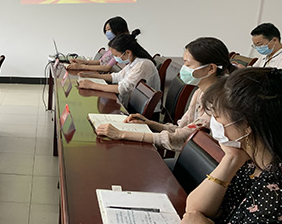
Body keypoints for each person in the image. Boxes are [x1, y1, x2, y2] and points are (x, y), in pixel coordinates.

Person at [180, 68, 282, 224]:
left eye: (218, 116)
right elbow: (195, 209)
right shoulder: (252, 161)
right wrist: (231, 159)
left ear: (246, 126)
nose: (214, 123)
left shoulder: (278, 188)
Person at [95, 37, 233, 151]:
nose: (183, 69)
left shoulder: (219, 101)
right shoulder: (200, 92)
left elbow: (181, 137)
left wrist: (122, 134)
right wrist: (149, 123)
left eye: (188, 65)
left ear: (210, 68)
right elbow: (181, 128)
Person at [77, 32, 160, 107]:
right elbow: (116, 77)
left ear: (128, 52)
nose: (115, 58)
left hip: (137, 111)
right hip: (130, 105)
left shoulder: (142, 65)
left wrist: (92, 85)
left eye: (116, 55)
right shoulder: (134, 62)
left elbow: (122, 88)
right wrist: (92, 76)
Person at [67, 16, 138, 72]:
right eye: (106, 30)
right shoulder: (113, 45)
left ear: (118, 30)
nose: (107, 33)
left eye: (109, 29)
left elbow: (107, 68)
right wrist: (82, 62)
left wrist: (82, 66)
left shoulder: (122, 47)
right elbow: (101, 62)